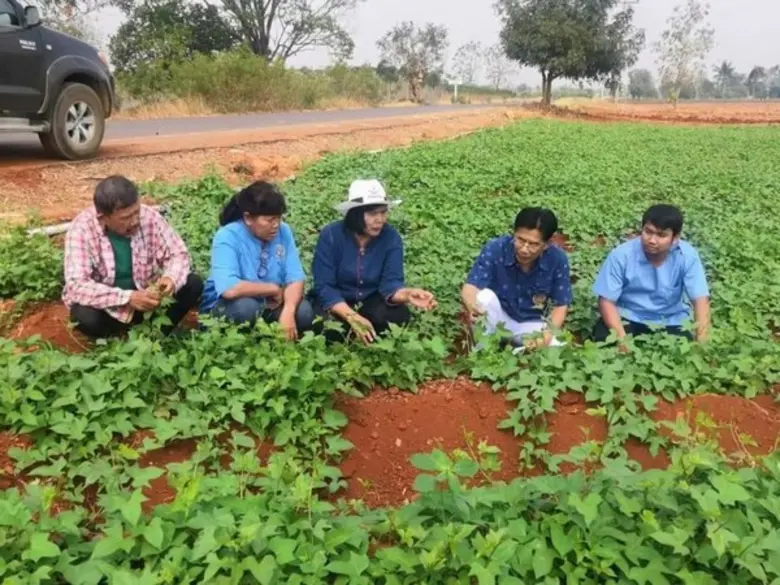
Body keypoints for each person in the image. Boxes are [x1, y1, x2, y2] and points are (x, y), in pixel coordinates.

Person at [63, 175, 203, 339]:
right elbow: (77, 284)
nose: (135, 220)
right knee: (84, 316)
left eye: (136, 211)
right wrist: (128, 298)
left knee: (192, 283)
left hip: (148, 301)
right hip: (110, 307)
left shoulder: (149, 217)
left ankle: (156, 334)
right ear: (103, 218)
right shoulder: (81, 229)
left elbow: (178, 254)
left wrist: (170, 278)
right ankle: (117, 339)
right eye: (126, 218)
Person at [310, 179, 437, 344]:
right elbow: (324, 286)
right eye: (372, 214)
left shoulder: (391, 238)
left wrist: (408, 294)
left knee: (398, 315)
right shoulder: (332, 235)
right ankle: (352, 334)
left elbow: (390, 284)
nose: (380, 220)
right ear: (355, 214)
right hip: (338, 304)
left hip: (370, 302)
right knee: (318, 321)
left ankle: (362, 334)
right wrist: (352, 316)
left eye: (383, 213)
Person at [200, 181, 314, 340]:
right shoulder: (227, 236)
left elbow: (295, 278)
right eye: (269, 220)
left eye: (278, 219)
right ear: (248, 218)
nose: (276, 225)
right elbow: (229, 289)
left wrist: (288, 310)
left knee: (304, 312)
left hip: (268, 304)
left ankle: (272, 341)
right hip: (228, 306)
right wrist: (273, 289)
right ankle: (240, 347)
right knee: (246, 308)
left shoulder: (284, 231)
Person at [592, 204, 710, 343]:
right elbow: (606, 301)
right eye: (648, 232)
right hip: (628, 315)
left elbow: (700, 300)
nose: (652, 240)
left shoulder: (687, 256)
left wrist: (702, 343)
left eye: (661, 235)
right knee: (603, 341)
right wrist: (622, 340)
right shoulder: (621, 255)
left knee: (679, 355)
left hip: (669, 319)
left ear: (675, 238)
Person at [461, 207, 572, 350]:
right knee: (484, 297)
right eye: (520, 240)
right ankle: (483, 350)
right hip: (499, 316)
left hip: (531, 322)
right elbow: (470, 287)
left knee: (558, 345)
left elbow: (560, 305)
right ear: (514, 233)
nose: (524, 249)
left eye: (533, 244)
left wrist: (546, 336)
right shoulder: (496, 248)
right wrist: (472, 306)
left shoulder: (557, 259)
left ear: (547, 243)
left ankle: (521, 351)